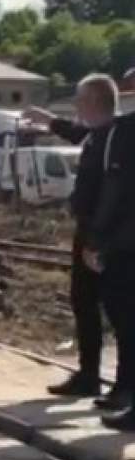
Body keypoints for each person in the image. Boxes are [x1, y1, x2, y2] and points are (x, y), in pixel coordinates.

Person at [23, 75, 120, 406]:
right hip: (91, 231)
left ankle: (123, 386)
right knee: (83, 301)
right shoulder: (98, 135)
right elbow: (77, 132)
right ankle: (89, 375)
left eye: (79, 101)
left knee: (118, 309)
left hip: (106, 235)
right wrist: (49, 121)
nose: (76, 107)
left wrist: (97, 238)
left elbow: (113, 193)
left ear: (93, 101)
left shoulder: (114, 137)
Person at [93, 108, 135, 430]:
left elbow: (116, 186)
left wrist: (97, 235)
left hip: (126, 240)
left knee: (125, 316)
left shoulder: (126, 129)